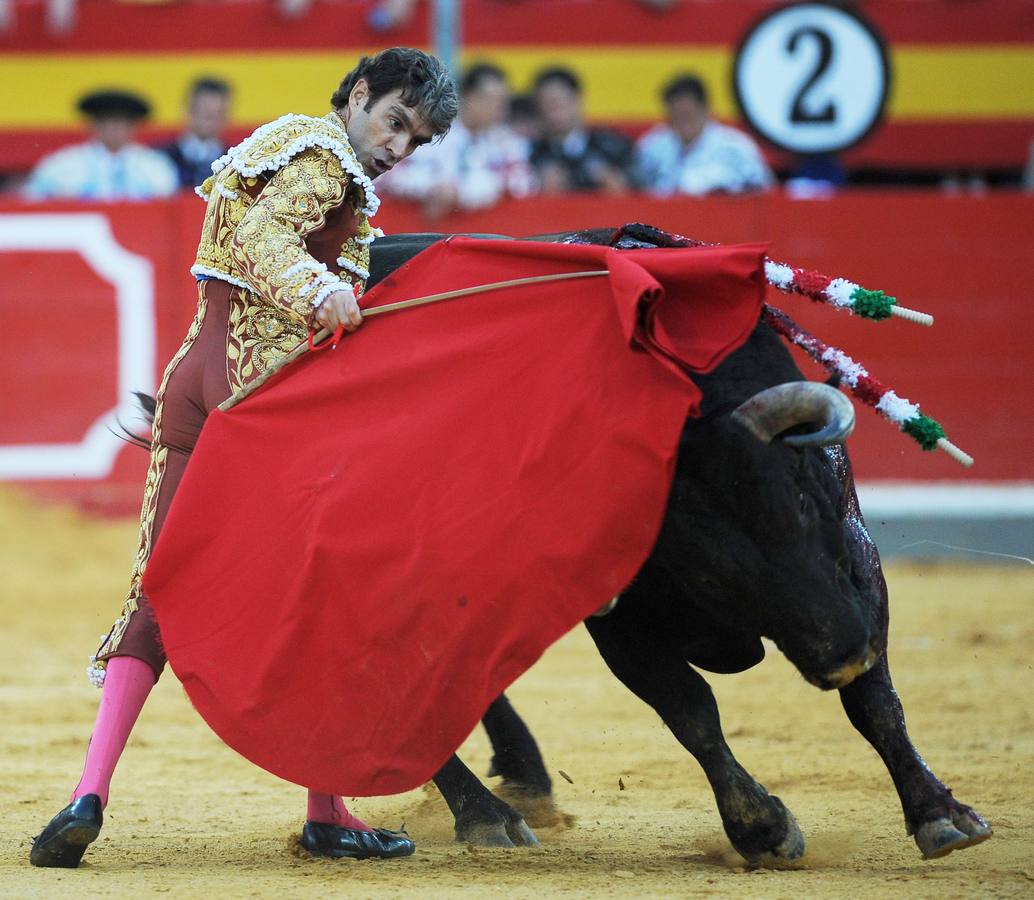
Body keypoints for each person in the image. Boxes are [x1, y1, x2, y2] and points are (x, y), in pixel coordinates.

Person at [29, 47, 458, 870]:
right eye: (396, 122)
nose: (398, 147)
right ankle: (328, 812)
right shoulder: (328, 165)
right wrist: (318, 289)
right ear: (360, 95)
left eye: (418, 139)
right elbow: (267, 236)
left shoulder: (282, 139)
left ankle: (88, 794)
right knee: (327, 593)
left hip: (192, 380)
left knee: (159, 586)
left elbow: (243, 237)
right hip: (261, 402)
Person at [377, 62, 534, 218]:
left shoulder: (508, 143)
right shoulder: (427, 132)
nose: (499, 108)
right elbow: (388, 175)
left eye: (502, 101)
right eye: (491, 99)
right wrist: (431, 189)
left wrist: (462, 193)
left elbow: (522, 185)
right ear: (467, 96)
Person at [23, 89, 179, 201]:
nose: (114, 128)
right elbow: (33, 203)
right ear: (93, 125)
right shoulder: (61, 166)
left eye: (122, 122)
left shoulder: (155, 167)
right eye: (107, 121)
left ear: (134, 127)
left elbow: (168, 207)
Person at [635, 74, 774, 197]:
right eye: (676, 116)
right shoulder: (652, 147)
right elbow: (638, 191)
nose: (683, 122)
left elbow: (764, 191)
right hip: (664, 221)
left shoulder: (736, 147)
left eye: (688, 115)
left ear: (705, 110)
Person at [529, 66, 635, 194]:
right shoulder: (532, 154)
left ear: (578, 100)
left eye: (560, 102)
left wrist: (618, 184)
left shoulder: (613, 147)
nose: (555, 111)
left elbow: (643, 194)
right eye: (548, 103)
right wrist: (538, 187)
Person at [160, 77, 232, 191]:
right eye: (203, 112)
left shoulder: (234, 162)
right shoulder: (161, 158)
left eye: (216, 113)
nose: (208, 120)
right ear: (188, 111)